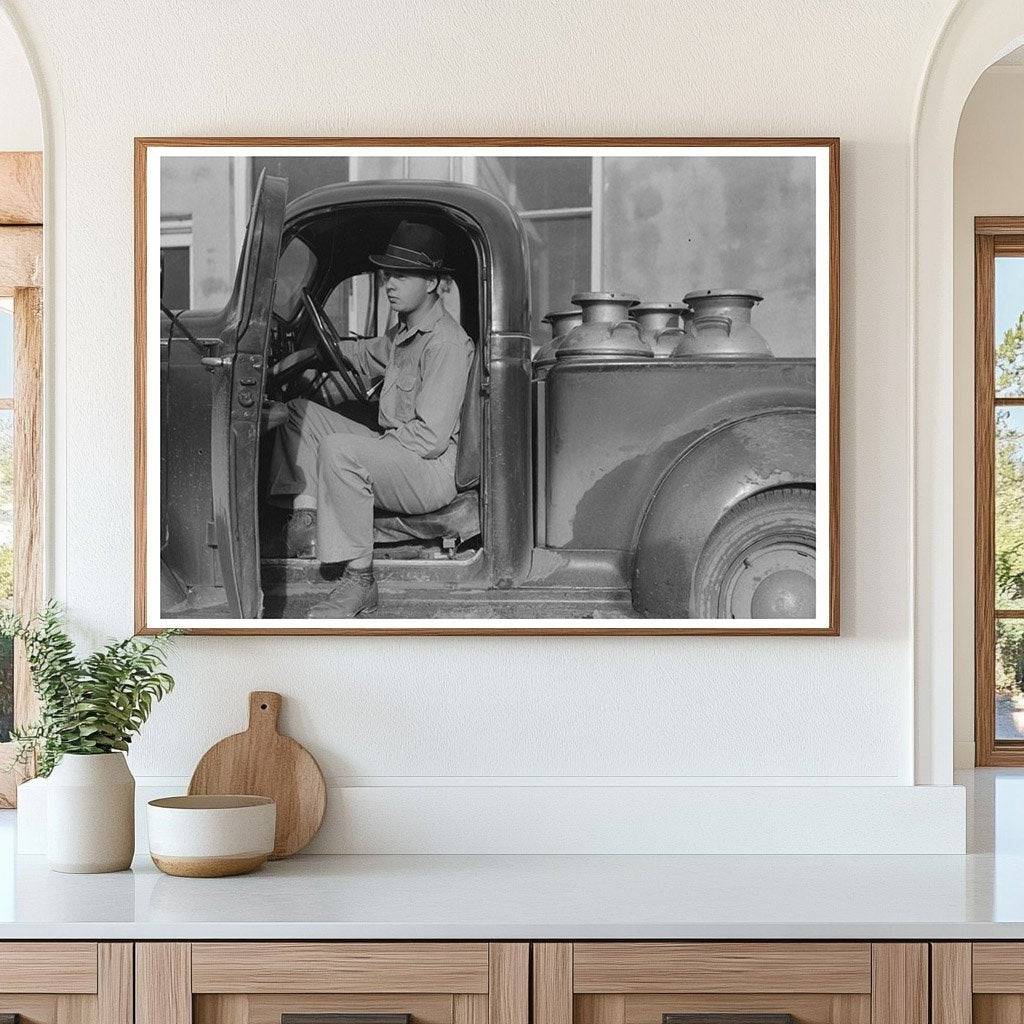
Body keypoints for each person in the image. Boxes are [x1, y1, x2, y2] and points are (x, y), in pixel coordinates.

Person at [264, 221, 474, 618]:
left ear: (431, 283)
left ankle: (359, 581)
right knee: (300, 415)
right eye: (388, 274)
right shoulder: (403, 333)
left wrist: (374, 449)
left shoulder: (445, 342)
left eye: (402, 274)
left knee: (340, 450)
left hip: (430, 472)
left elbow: (429, 439)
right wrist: (313, 355)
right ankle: (306, 526)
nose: (389, 283)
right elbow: (363, 355)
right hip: (402, 454)